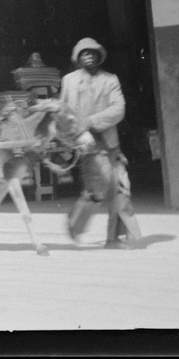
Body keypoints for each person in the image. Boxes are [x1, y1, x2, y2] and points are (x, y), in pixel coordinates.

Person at [58, 37, 142, 249]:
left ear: (99, 57)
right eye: (84, 53)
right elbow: (63, 114)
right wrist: (72, 139)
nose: (89, 56)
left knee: (120, 189)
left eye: (93, 53)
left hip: (110, 144)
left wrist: (90, 121)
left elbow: (118, 109)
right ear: (78, 57)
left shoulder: (110, 80)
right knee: (97, 193)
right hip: (86, 147)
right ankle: (76, 225)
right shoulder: (69, 81)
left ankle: (117, 238)